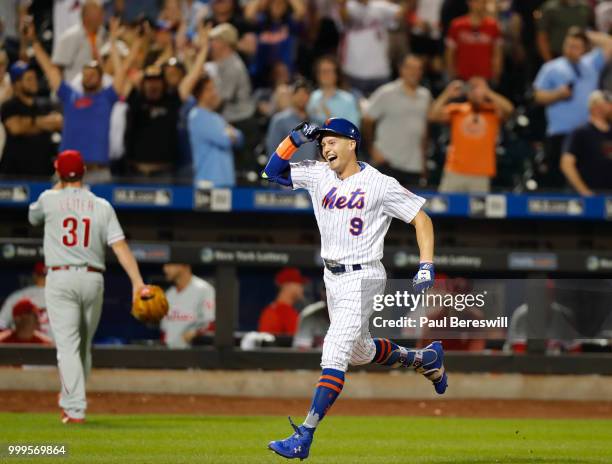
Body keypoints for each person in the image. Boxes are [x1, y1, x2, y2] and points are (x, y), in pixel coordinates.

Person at [261, 118, 444, 459]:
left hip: (365, 276)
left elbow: (422, 218)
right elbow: (271, 173)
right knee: (358, 351)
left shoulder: (379, 183)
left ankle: (305, 435)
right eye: (323, 143)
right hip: (333, 277)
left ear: (352, 143)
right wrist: (292, 139)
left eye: (332, 141)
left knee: (333, 350)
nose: (326, 147)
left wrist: (426, 264)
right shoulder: (318, 174)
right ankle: (424, 358)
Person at [28, 149, 147, 423]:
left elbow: (32, 217)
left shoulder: (49, 199)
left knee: (68, 346)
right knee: (82, 346)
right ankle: (72, 401)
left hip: (60, 278)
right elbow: (120, 246)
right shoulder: (102, 204)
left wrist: (58, 183)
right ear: (84, 172)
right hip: (93, 279)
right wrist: (137, 282)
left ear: (58, 172)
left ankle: (74, 408)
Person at [26, 18, 128, 183]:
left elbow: (121, 72)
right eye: (86, 73)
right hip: (66, 173)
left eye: (93, 73)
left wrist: (113, 41)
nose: (88, 76)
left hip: (98, 174)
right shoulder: (70, 96)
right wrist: (34, 41)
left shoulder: (107, 98)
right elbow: (51, 70)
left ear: (102, 79)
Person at [534, 28, 612, 188]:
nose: (571, 49)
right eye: (568, 45)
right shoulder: (552, 67)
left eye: (576, 46)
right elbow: (538, 97)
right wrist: (557, 94)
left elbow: (609, 44)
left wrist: (585, 32)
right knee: (557, 181)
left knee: (587, 178)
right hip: (560, 133)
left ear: (584, 48)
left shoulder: (591, 64)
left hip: (586, 135)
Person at [429, 77, 514, 193]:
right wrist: (447, 94)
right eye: (472, 87)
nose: (476, 91)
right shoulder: (458, 110)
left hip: (481, 173)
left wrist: (488, 93)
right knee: (446, 208)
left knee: (478, 211)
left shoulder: (493, 111)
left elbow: (509, 110)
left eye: (479, 87)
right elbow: (432, 115)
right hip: (455, 171)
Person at [363, 55, 431, 187]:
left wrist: (423, 162)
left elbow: (424, 131)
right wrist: (372, 149)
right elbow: (367, 120)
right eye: (410, 68)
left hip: (414, 166)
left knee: (411, 208)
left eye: (418, 69)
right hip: (387, 163)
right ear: (402, 70)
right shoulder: (386, 92)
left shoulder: (425, 95)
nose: (414, 72)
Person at [0, 61, 63, 177]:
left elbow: (59, 123)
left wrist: (30, 123)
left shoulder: (45, 106)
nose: (34, 82)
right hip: (14, 174)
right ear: (17, 84)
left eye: (34, 78)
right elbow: (16, 128)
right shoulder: (9, 106)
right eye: (29, 79)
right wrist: (44, 123)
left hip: (43, 173)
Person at [337, 0, 405, 96]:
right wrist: (341, 5)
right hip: (353, 72)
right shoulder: (347, 6)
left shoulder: (381, 6)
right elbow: (344, 18)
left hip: (380, 72)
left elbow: (400, 12)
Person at [188, 75, 243, 187]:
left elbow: (240, 138)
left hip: (226, 181)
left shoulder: (217, 118)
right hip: (207, 182)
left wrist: (231, 135)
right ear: (199, 93)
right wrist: (229, 134)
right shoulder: (197, 116)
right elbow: (225, 140)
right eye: (209, 89)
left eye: (214, 88)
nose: (214, 93)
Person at [560, 90, 612, 195]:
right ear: (596, 107)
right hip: (589, 198)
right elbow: (566, 164)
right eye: (609, 104)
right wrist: (585, 192)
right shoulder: (581, 133)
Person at [160, 263, 216, 349]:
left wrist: (193, 334)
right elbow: (164, 331)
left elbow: (211, 324)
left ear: (184, 266)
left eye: (169, 265)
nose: (165, 269)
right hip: (171, 354)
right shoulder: (169, 294)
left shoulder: (204, 290)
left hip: (195, 355)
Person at [445, 0, 502, 83]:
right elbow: (450, 53)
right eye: (477, 2)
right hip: (462, 78)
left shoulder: (493, 26)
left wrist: (497, 73)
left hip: (485, 79)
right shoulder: (457, 25)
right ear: (469, 3)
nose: (480, 5)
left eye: (483, 2)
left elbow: (497, 53)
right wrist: (451, 74)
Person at [52, 0, 106, 82]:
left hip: (97, 89)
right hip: (74, 90)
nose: (102, 17)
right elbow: (57, 67)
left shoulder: (103, 34)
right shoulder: (70, 37)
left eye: (101, 14)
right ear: (85, 17)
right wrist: (64, 91)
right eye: (98, 14)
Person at [266, 79, 317, 162]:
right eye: (298, 93)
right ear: (292, 96)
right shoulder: (279, 120)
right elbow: (272, 150)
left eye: (305, 94)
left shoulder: (316, 123)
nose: (302, 97)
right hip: (287, 173)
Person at [307, 55, 361, 127]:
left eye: (329, 71)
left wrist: (330, 118)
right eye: (322, 71)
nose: (325, 74)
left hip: (339, 136)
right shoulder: (313, 97)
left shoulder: (348, 99)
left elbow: (354, 127)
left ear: (336, 74)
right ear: (317, 75)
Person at [0, 262, 50, 338]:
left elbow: (1, 324)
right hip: (55, 347)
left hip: (23, 347)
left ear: (34, 276)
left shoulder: (17, 296)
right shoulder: (63, 297)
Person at [258, 267, 308, 336]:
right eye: (299, 284)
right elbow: (301, 340)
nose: (302, 288)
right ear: (288, 285)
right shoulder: (285, 312)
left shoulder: (269, 309)